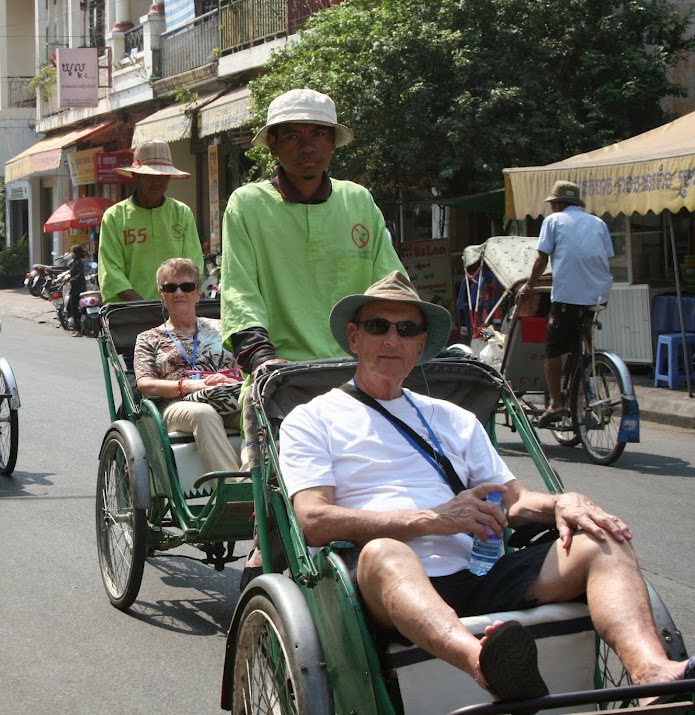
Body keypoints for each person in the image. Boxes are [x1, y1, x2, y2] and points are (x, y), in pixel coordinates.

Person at [279, 270, 695, 703]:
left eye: (406, 330)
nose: (392, 340)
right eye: (377, 326)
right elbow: (314, 520)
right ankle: (486, 665)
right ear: (354, 336)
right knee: (386, 551)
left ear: (421, 343)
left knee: (600, 537)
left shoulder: (453, 418)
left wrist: (565, 501)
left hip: (478, 571)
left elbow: (515, 501)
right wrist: (431, 519)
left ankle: (653, 677)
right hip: (383, 583)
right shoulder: (312, 419)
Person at [221, 88, 405, 375]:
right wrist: (261, 357)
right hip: (282, 376)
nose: (307, 147)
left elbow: (390, 287)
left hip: (359, 372)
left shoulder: (358, 200)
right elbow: (240, 293)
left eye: (318, 134)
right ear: (273, 144)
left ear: (332, 142)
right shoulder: (247, 205)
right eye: (293, 136)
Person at [515, 180, 614, 427]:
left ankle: (556, 402)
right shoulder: (598, 223)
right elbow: (603, 256)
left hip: (568, 296)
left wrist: (529, 286)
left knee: (553, 348)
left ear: (558, 203)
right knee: (584, 336)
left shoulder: (554, 221)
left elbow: (541, 259)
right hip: (598, 295)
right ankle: (590, 370)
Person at [134, 258, 242, 475]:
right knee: (203, 413)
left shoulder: (222, 327)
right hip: (177, 404)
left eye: (187, 286)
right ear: (162, 294)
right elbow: (144, 383)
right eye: (170, 287)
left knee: (257, 410)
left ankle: (256, 482)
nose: (179, 293)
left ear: (198, 293)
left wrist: (232, 380)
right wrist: (188, 386)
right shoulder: (149, 338)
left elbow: (244, 368)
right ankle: (232, 490)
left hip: (226, 396)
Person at [98, 140, 203, 303]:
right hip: (131, 313)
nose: (158, 181)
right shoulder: (114, 217)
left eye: (164, 176)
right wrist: (144, 308)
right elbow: (111, 272)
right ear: (136, 175)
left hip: (177, 310)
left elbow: (194, 265)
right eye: (151, 175)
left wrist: (178, 301)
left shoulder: (182, 213)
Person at [67, 244, 87, 336]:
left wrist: (71, 280)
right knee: (71, 308)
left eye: (72, 252)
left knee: (73, 308)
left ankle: (79, 330)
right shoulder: (74, 262)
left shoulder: (78, 263)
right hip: (76, 288)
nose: (71, 254)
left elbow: (79, 275)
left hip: (77, 289)